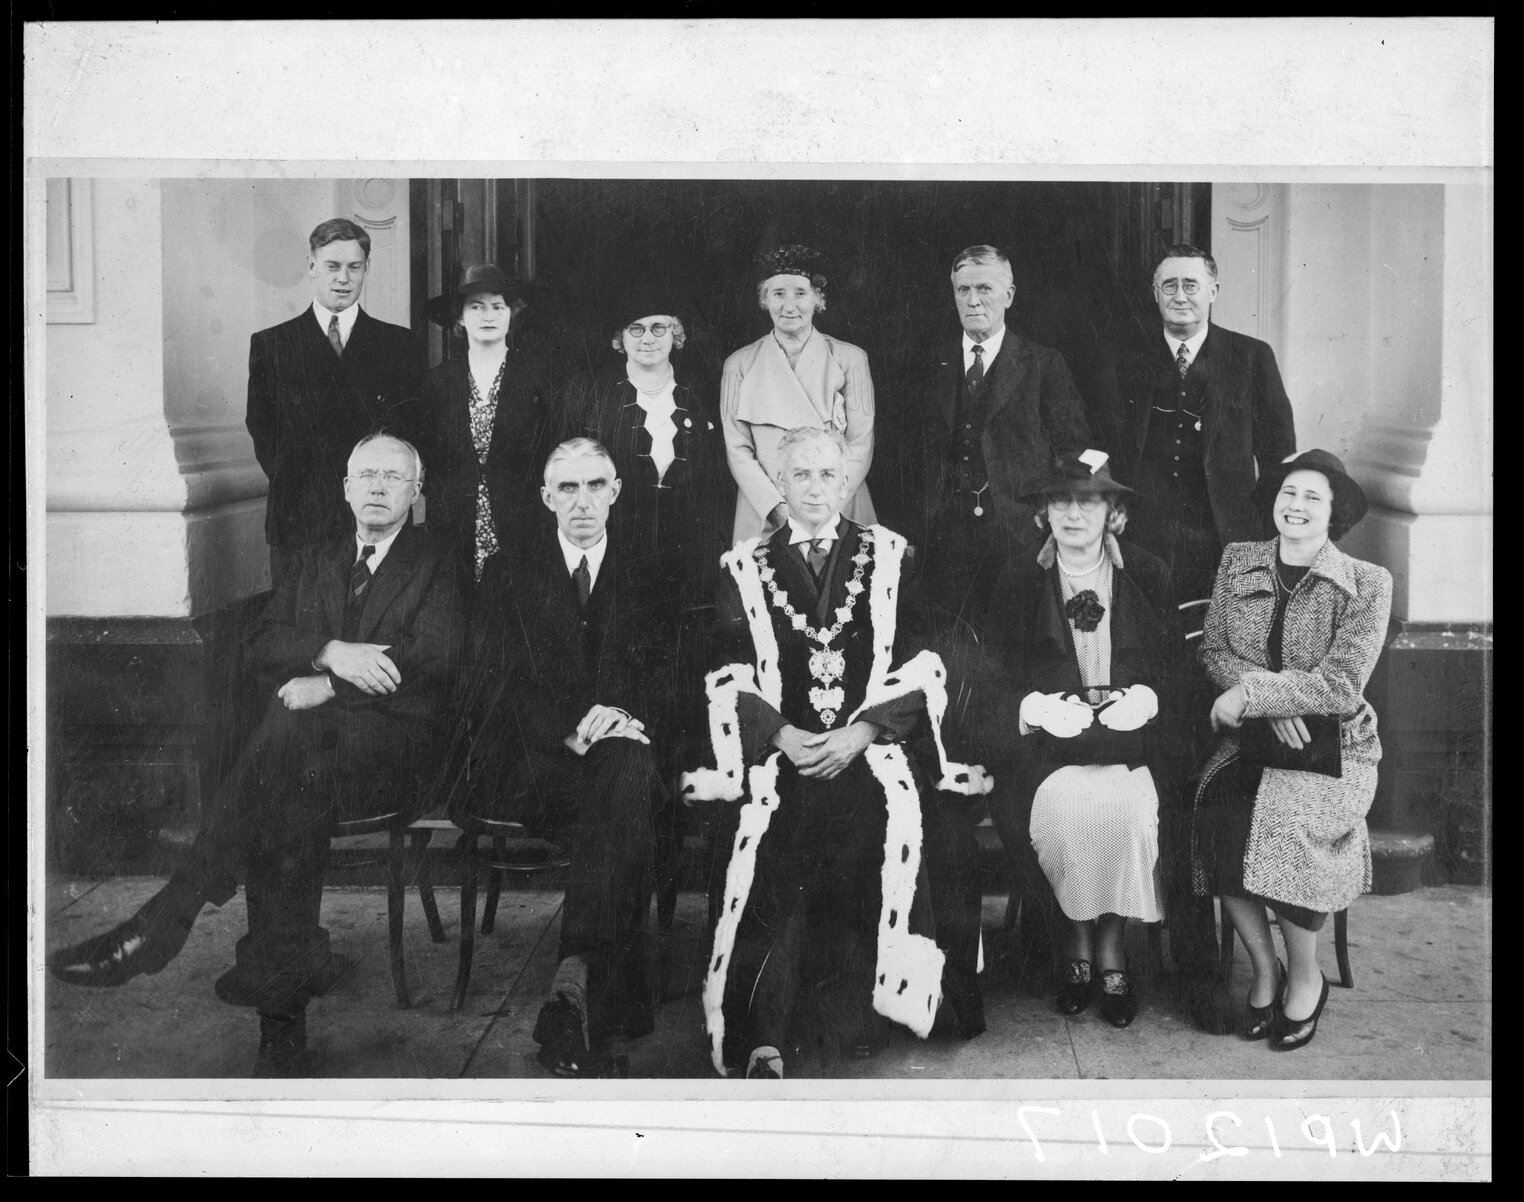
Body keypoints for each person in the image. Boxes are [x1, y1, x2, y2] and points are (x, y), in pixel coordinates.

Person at [48, 435, 465, 1076]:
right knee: (283, 794)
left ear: (418, 491)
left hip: (396, 756)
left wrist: (330, 685)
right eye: (365, 475)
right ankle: (279, 1025)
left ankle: (171, 921)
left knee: (281, 751)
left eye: (393, 476)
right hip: (305, 763)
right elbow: (264, 642)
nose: (378, 487)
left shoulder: (441, 563)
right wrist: (328, 649)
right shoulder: (316, 559)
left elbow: (436, 660)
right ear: (345, 488)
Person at [682, 426, 991, 1079]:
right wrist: (781, 734)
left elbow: (927, 661)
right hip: (782, 755)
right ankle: (764, 1031)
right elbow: (723, 670)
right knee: (772, 835)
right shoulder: (743, 568)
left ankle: (853, 1012)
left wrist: (864, 731)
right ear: (780, 482)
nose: (816, 489)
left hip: (871, 749)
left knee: (872, 822)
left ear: (847, 481)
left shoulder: (893, 558)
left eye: (828, 475)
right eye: (801, 475)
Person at [452, 438, 675, 1078]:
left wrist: (627, 716)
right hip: (535, 766)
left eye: (596, 485)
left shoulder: (651, 568)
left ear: (616, 491)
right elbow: (489, 683)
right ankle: (608, 997)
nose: (583, 502)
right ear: (546, 497)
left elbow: (673, 672)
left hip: (624, 755)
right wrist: (569, 730)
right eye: (568, 489)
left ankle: (574, 995)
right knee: (625, 798)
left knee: (625, 770)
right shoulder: (508, 572)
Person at [1191, 449, 1392, 1051]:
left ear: (1335, 512)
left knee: (1285, 822)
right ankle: (1265, 970)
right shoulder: (1239, 561)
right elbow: (1214, 650)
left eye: (1312, 497)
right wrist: (1269, 706)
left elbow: (1341, 684)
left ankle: (1307, 978)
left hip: (1337, 752)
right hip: (1251, 744)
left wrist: (1255, 696)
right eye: (1288, 493)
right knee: (1216, 815)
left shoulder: (1367, 583)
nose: (1296, 506)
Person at [983, 449, 1178, 1028]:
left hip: (1128, 750)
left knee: (1128, 815)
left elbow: (1175, 670)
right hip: (1049, 753)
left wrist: (1147, 699)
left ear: (1112, 512)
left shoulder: (1147, 573)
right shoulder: (1019, 578)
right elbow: (992, 678)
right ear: (1044, 512)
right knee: (1067, 815)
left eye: (1087, 503)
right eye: (1061, 502)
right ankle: (1075, 939)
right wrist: (1033, 707)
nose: (1073, 514)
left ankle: (1112, 944)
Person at [565, 286, 733, 768]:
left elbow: (720, 481)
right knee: (625, 653)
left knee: (687, 659)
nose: (648, 338)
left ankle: (683, 776)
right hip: (621, 551)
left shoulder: (702, 395)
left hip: (692, 555)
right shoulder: (591, 394)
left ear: (675, 334)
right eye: (635, 329)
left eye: (660, 327)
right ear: (620, 338)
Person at [1105, 244, 1297, 604]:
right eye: (1169, 286)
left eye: (1191, 285)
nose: (1180, 296)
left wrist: (1266, 530)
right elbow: (1106, 446)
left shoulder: (1251, 357)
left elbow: (1279, 457)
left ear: (1213, 291)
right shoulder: (1126, 359)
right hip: (1143, 534)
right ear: (1155, 293)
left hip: (1228, 535)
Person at [246, 219, 429, 588]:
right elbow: (262, 429)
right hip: (300, 517)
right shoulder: (273, 344)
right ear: (312, 266)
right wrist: (302, 486)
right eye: (332, 266)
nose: (343, 279)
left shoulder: (399, 345)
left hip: (377, 516)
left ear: (367, 268)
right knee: (302, 618)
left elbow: (412, 431)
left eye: (354, 267)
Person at [721, 244, 876, 544]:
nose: (789, 306)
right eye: (778, 293)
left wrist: (826, 510)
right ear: (764, 299)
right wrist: (777, 509)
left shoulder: (850, 359)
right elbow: (737, 450)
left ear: (817, 298)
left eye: (800, 293)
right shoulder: (739, 365)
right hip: (766, 512)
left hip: (839, 507)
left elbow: (860, 444)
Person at [422, 264, 556, 585]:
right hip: (452, 527)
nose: (488, 316)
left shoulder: (539, 378)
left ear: (512, 314)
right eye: (476, 307)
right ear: (459, 316)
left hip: (522, 525)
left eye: (498, 306)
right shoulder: (437, 382)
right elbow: (428, 458)